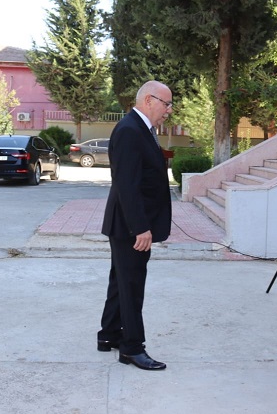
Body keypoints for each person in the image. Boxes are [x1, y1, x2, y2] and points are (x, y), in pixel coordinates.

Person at [97, 80, 173, 371]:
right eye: (166, 104)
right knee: (132, 286)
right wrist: (140, 228)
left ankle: (109, 335)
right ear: (149, 100)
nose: (169, 110)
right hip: (131, 226)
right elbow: (126, 185)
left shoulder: (140, 128)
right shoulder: (130, 130)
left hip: (127, 223)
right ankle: (131, 347)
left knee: (121, 281)